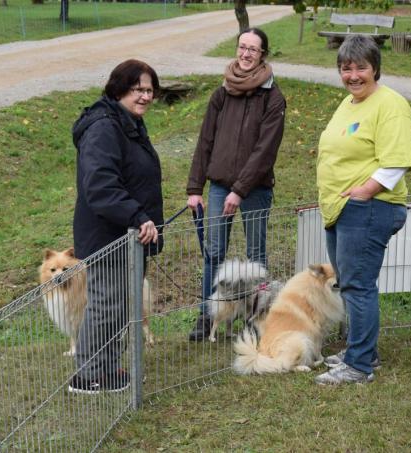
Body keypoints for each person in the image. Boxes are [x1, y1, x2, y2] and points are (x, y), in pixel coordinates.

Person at [313, 35, 411, 385]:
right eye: (346, 68)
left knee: (358, 286)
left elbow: (396, 160)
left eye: (361, 67)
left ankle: (359, 365)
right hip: (341, 208)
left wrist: (364, 192)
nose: (353, 75)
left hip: (368, 208)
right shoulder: (348, 103)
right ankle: (363, 351)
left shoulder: (390, 104)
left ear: (375, 68)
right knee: (350, 283)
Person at [68, 59, 164, 394]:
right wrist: (138, 216)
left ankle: (107, 368)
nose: (145, 96)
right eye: (138, 89)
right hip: (107, 236)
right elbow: (101, 187)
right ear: (119, 88)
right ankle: (87, 375)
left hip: (131, 237)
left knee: (120, 307)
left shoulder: (128, 122)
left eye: (150, 90)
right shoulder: (103, 128)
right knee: (105, 305)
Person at [186, 27, 286, 341]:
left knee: (256, 255)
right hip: (219, 187)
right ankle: (207, 316)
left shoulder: (273, 98)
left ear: (262, 55)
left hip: (255, 190)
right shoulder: (222, 93)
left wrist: (239, 190)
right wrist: (194, 188)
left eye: (252, 49)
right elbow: (205, 140)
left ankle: (257, 319)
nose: (245, 54)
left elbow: (265, 151)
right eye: (242, 47)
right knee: (214, 252)